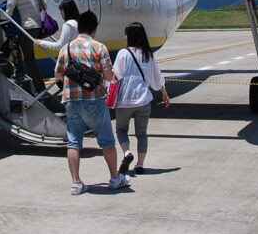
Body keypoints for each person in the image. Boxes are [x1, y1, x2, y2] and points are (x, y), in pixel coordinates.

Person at [55, 10, 130, 194]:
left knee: (73, 142)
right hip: (94, 99)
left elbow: (58, 74)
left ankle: (76, 183)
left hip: (72, 101)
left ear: (78, 28)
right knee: (106, 141)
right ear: (94, 30)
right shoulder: (99, 47)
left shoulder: (66, 48)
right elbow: (108, 76)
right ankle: (114, 178)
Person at [112, 21, 171, 175]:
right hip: (144, 99)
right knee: (142, 134)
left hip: (124, 100)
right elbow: (156, 78)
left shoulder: (123, 54)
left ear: (129, 36)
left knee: (121, 129)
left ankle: (126, 153)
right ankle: (140, 164)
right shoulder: (148, 54)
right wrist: (164, 93)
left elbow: (116, 76)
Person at [4, 0, 46, 93]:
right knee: (18, 45)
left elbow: (8, 12)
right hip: (37, 26)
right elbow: (43, 3)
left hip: (26, 28)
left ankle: (39, 87)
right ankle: (21, 74)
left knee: (27, 56)